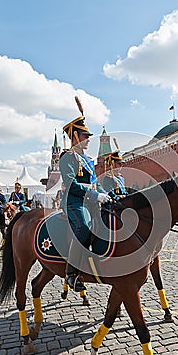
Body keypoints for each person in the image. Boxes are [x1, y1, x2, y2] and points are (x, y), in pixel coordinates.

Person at [59, 102, 111, 292]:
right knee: (84, 227)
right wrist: (93, 194)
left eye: (88, 136)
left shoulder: (88, 160)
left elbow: (95, 182)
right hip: (74, 201)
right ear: (75, 137)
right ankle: (71, 273)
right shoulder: (67, 157)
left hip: (90, 201)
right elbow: (72, 184)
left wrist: (105, 194)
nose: (88, 139)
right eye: (85, 136)